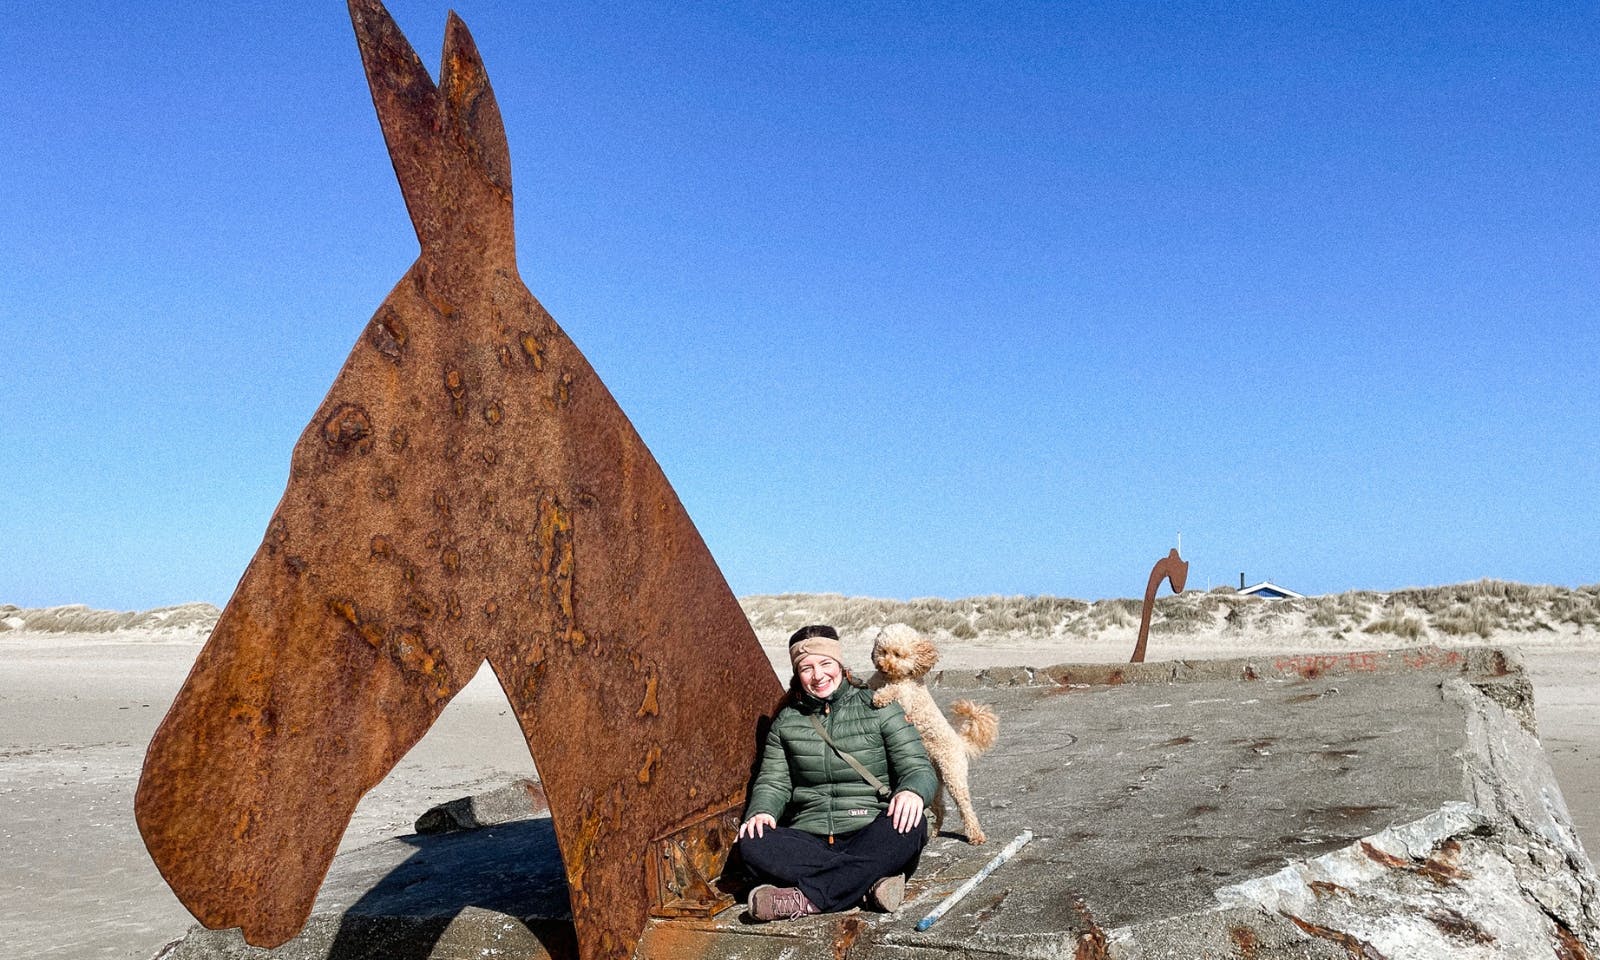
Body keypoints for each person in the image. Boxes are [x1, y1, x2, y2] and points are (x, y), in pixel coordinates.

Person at [736, 624, 938, 921]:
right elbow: (773, 781)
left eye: (825, 664)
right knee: (753, 843)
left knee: (910, 825)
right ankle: (869, 885)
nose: (818, 676)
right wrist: (763, 811)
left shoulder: (878, 706)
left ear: (840, 665)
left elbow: (918, 766)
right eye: (806, 668)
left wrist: (912, 791)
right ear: (797, 674)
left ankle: (804, 900)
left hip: (870, 828)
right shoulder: (786, 722)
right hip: (810, 836)